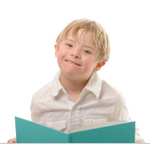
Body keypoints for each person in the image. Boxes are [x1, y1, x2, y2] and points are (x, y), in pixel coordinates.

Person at [7, 18, 145, 143]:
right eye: (69, 45)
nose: (75, 53)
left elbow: (130, 137)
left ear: (99, 64)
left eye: (86, 51)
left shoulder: (113, 98)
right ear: (56, 50)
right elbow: (38, 139)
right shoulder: (40, 99)